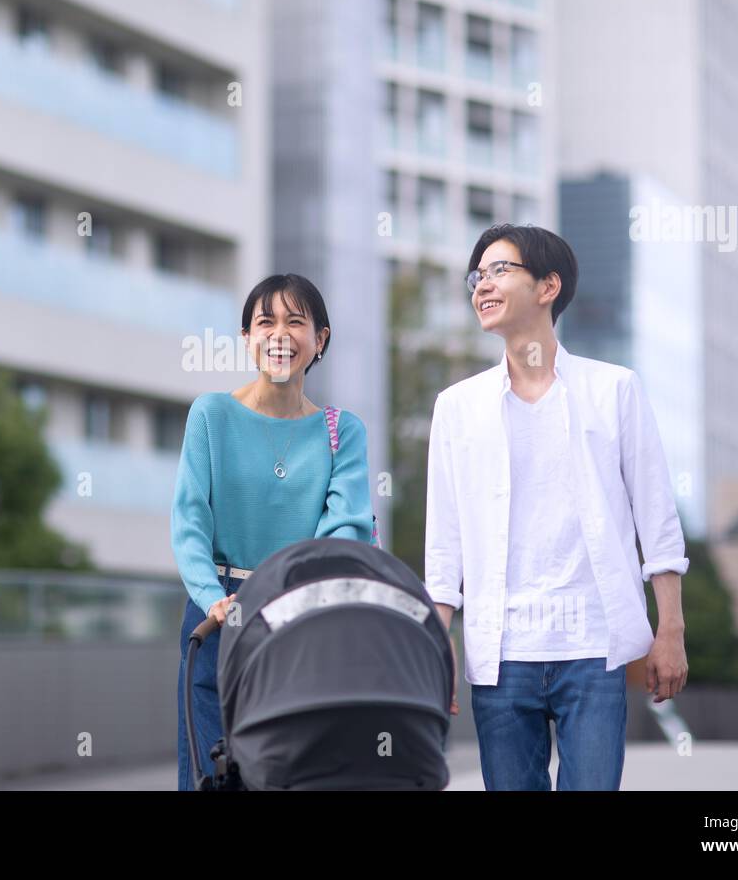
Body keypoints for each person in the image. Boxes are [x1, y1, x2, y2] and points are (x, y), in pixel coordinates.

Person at [424, 223, 690, 790]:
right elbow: (444, 545)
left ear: (548, 287)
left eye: (500, 270)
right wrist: (436, 646)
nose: (482, 285)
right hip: (500, 654)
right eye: (477, 275)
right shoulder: (457, 408)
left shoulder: (614, 390)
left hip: (593, 648)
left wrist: (671, 630)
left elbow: (657, 520)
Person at [173, 273, 374, 790]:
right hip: (219, 615)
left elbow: (345, 532)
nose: (279, 334)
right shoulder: (211, 414)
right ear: (247, 338)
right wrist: (211, 597)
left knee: (294, 774)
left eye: (296, 322)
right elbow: (190, 521)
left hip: (299, 618)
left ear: (320, 340)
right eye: (266, 322)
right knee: (212, 776)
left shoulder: (340, 429)